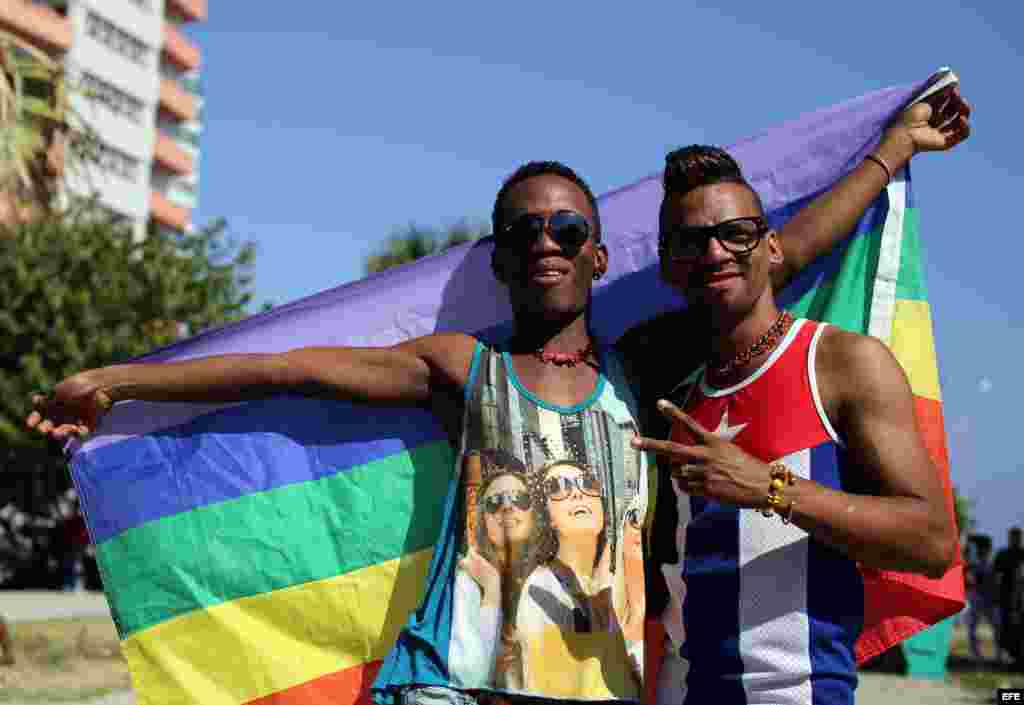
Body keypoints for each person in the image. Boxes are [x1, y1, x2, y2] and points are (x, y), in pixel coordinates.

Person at [27, 91, 970, 705]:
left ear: (600, 255)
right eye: (524, 231)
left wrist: (892, 150)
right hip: (454, 686)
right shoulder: (461, 367)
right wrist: (119, 382)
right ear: (502, 261)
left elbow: (772, 256)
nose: (546, 241)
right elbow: (293, 369)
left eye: (567, 228)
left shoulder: (646, 371)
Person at [631, 143, 961, 705]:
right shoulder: (677, 399)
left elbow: (932, 541)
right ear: (667, 264)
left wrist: (770, 488)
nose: (715, 251)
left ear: (773, 247)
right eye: (690, 240)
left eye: (737, 233)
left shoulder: (840, 363)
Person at [965, 536, 998, 663]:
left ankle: (997, 652)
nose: (983, 551)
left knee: (995, 626)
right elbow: (970, 580)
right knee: (973, 627)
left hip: (986, 598)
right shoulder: (976, 564)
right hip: (977, 597)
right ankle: (976, 653)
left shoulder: (989, 564)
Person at [995, 527, 1024, 668]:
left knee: (1018, 629)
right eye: (1013, 537)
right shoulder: (1003, 554)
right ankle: (1011, 658)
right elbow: (997, 577)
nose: (1015, 539)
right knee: (1006, 629)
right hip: (1006, 597)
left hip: (1020, 598)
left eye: (1018, 537)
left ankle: (1017, 659)